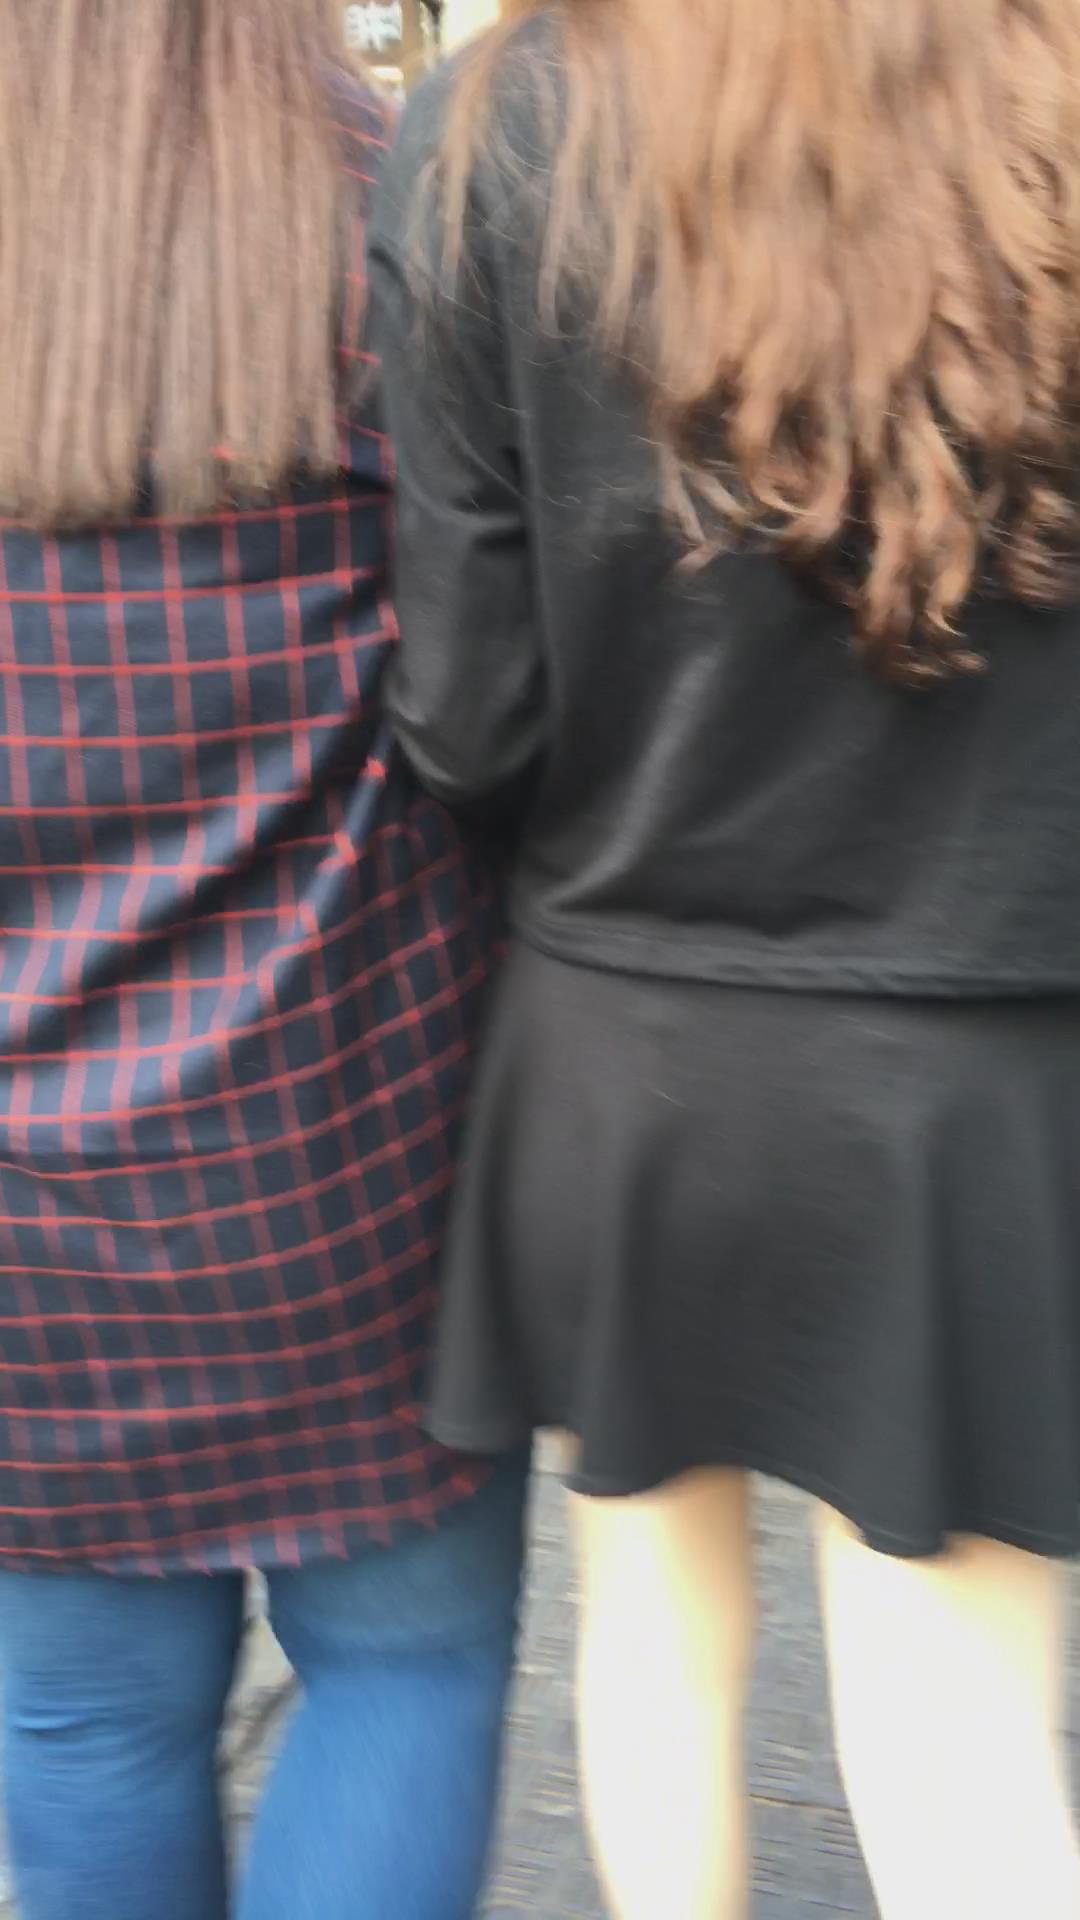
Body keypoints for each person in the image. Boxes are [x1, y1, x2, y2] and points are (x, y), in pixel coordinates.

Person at [368, 3, 1080, 1916]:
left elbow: (468, 718)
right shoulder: (1054, 94)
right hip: (986, 1053)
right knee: (967, 1727)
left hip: (630, 1042)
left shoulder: (498, 128)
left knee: (654, 1648)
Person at [0, 6, 525, 1920]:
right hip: (355, 1140)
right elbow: (489, 692)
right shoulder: (393, 191)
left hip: (28, 1215)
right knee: (408, 1665)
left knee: (81, 1717)